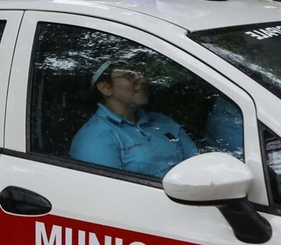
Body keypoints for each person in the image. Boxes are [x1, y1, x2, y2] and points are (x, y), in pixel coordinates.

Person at [69, 60, 199, 178]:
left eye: (141, 73)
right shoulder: (95, 137)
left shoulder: (162, 121)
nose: (143, 79)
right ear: (106, 88)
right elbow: (109, 192)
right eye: (130, 75)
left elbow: (197, 164)